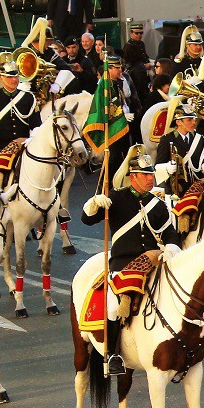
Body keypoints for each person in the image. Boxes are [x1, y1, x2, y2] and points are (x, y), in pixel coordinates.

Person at [81, 148, 181, 376]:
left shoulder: (157, 204)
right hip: (124, 264)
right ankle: (113, 354)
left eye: (151, 175)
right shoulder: (115, 198)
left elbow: (170, 234)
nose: (150, 179)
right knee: (114, 307)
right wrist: (94, 204)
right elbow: (87, 220)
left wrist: (172, 248)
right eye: (145, 175)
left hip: (153, 263)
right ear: (133, 176)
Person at [0, 54, 42, 185]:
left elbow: (36, 124)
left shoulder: (28, 98)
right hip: (1, 148)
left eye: (16, 76)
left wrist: (33, 137)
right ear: (1, 78)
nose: (14, 80)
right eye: (9, 77)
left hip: (24, 146)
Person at [155, 100, 204, 193]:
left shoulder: (199, 138)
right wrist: (167, 167)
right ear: (179, 122)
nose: (194, 122)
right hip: (177, 189)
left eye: (194, 119)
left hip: (197, 185)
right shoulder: (167, 139)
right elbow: (158, 165)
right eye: (189, 120)